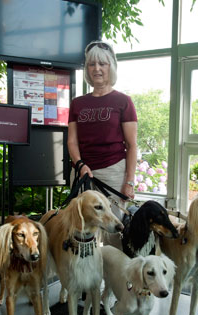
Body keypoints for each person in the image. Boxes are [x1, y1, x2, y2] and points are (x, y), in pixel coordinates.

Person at [67, 40, 138, 238]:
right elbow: (72, 141)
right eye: (91, 64)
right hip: (83, 175)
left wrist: (129, 182)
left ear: (111, 67)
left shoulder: (124, 101)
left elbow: (132, 146)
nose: (96, 69)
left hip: (113, 173)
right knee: (80, 235)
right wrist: (80, 165)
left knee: (112, 234)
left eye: (102, 64)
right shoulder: (77, 103)